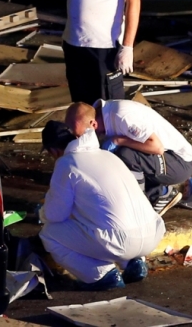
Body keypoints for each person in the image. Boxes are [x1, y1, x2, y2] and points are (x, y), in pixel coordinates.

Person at [38, 120, 165, 291]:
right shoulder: (107, 155)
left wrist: (42, 213)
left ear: (53, 150)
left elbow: (55, 215)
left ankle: (102, 275)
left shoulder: (67, 163)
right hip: (152, 235)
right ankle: (134, 263)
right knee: (107, 219)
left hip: (120, 243)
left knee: (49, 234)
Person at [65, 99, 192, 216]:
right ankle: (161, 193)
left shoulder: (122, 117)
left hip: (179, 163)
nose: (79, 139)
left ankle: (141, 208)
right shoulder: (100, 115)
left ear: (93, 124)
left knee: (127, 154)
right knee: (113, 156)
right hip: (165, 158)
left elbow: (157, 147)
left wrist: (118, 140)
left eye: (79, 135)